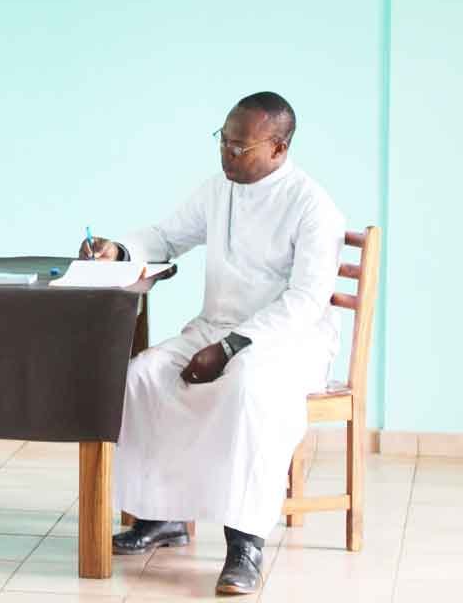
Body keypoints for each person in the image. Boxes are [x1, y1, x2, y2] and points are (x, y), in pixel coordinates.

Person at [82, 92, 344, 595]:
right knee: (143, 376)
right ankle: (161, 516)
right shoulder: (219, 190)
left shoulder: (314, 208)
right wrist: (119, 248)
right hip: (215, 326)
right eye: (222, 141)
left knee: (247, 389)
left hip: (287, 342)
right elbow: (166, 236)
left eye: (239, 147)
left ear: (279, 148)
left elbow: (306, 303)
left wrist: (228, 349)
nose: (226, 154)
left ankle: (245, 543)